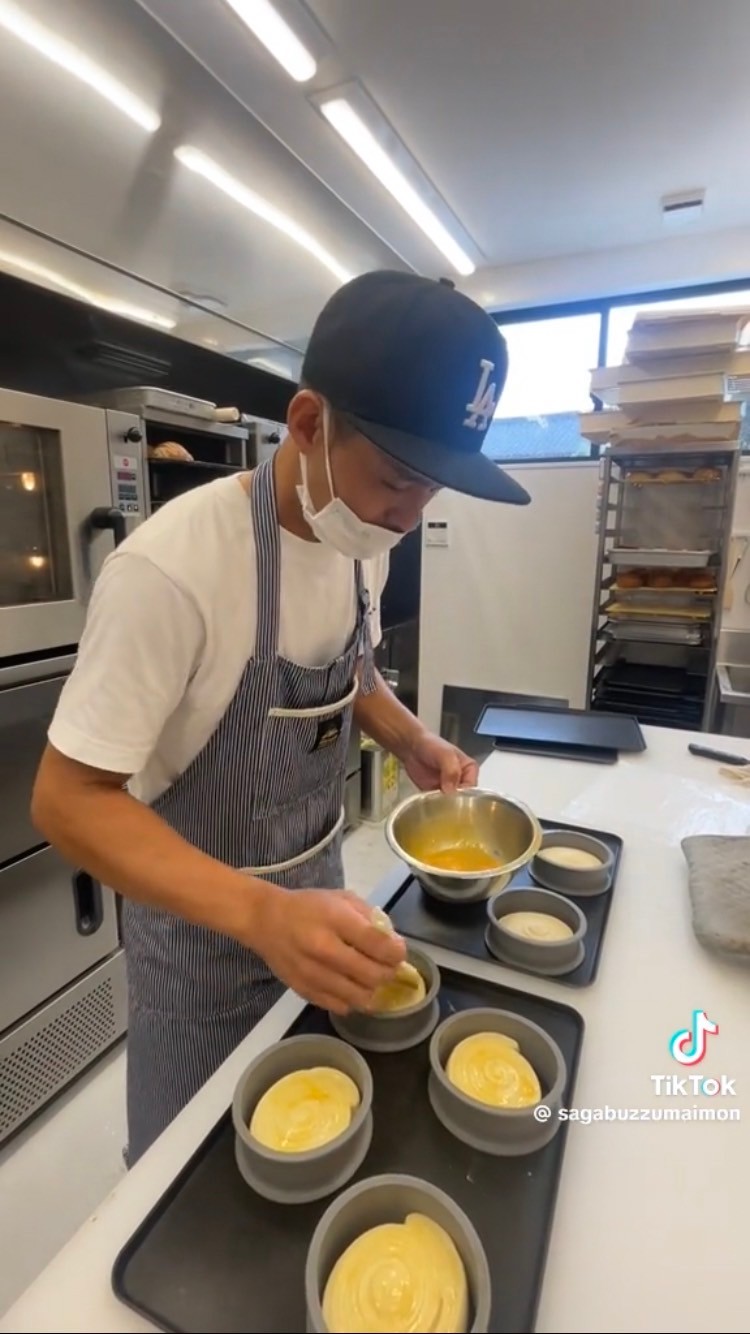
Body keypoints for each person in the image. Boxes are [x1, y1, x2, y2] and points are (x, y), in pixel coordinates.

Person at [31, 269, 530, 1165]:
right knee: (190, 1182)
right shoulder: (172, 571)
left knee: (314, 1152)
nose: (408, 517)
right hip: (202, 953)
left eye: (432, 491)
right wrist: (261, 915)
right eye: (397, 480)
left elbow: (352, 670)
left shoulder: (360, 544)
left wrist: (410, 736)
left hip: (325, 916)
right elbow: (67, 801)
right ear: (307, 423)